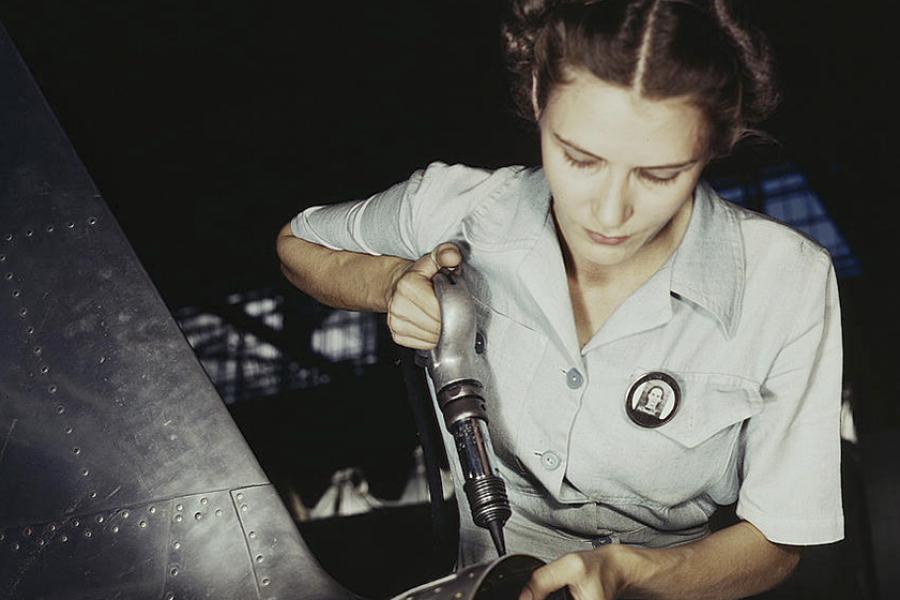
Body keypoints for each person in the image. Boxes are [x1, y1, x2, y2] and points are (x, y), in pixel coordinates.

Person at [276, 0, 843, 597]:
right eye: (579, 158)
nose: (609, 213)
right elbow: (295, 244)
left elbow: (779, 539)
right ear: (541, 97)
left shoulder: (788, 280)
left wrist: (631, 572)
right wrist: (389, 284)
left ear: (718, 141)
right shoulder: (456, 208)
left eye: (660, 174)